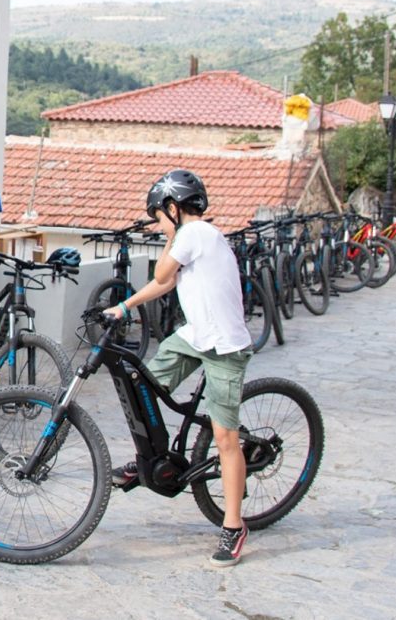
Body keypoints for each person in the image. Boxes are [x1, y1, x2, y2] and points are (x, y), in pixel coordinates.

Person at [103, 169, 253, 567]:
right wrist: (124, 306)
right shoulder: (191, 239)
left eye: (158, 216)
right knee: (145, 385)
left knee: (225, 439)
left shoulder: (195, 233)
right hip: (196, 335)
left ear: (172, 208)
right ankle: (151, 460)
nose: (157, 225)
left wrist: (170, 237)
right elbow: (164, 285)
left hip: (223, 347)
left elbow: (160, 273)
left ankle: (234, 527)